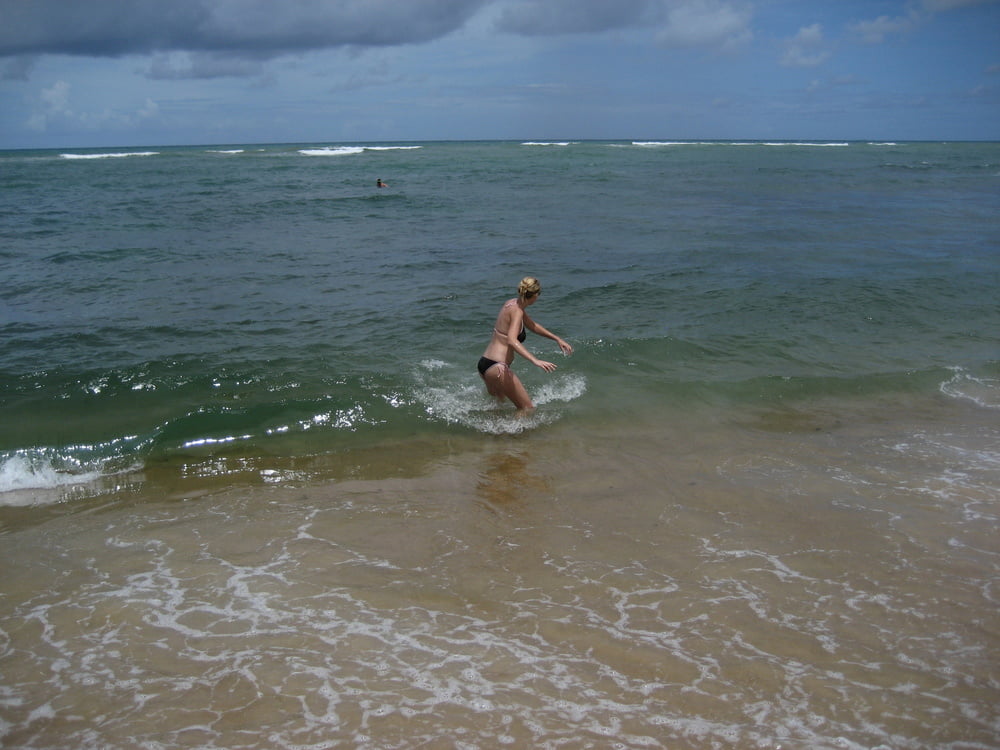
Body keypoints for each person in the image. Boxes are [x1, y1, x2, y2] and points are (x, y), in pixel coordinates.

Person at [477, 277, 573, 412]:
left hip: (485, 364)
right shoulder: (517, 311)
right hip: (498, 368)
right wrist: (535, 360)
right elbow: (511, 340)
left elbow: (533, 326)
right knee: (527, 408)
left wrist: (557, 339)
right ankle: (515, 434)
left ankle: (494, 433)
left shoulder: (511, 304)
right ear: (534, 295)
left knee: (498, 407)